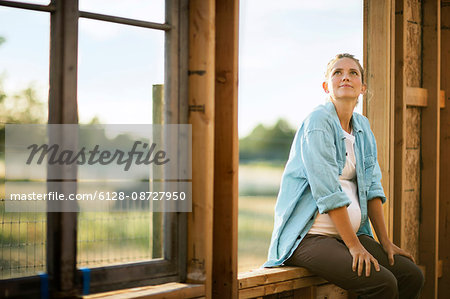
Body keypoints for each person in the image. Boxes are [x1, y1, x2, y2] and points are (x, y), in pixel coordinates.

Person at [263, 53, 424, 298]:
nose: (345, 77)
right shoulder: (318, 123)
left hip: (349, 235)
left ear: (362, 87)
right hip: (308, 237)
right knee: (382, 283)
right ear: (327, 86)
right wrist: (354, 246)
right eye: (337, 72)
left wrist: (385, 242)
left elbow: (372, 188)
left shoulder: (363, 127)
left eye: (353, 73)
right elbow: (328, 192)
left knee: (411, 275)